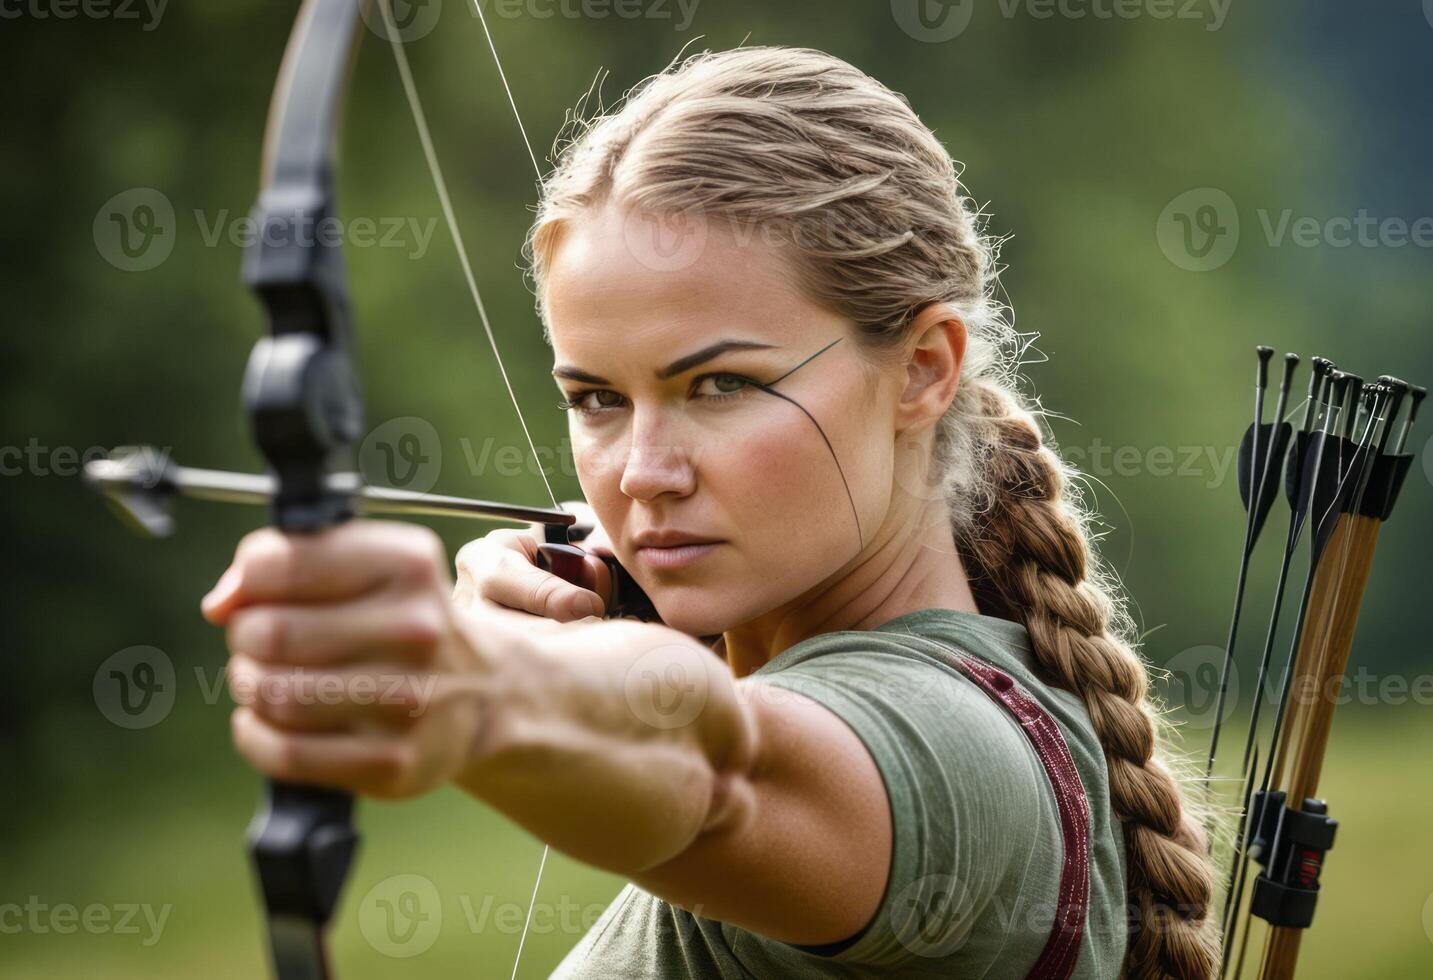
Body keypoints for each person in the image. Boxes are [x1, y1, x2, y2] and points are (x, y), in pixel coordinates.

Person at [202, 46, 1220, 979]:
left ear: (920, 369)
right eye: (597, 397)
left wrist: (468, 676)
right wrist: (559, 641)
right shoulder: (904, 680)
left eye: (721, 385)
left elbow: (712, 769)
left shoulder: (964, 759)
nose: (641, 472)